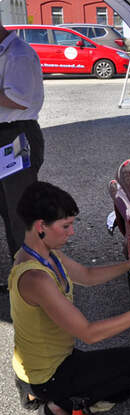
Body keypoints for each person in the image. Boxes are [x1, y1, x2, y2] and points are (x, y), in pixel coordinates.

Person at [9, 182, 130, 415]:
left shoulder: (42, 252)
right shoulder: (36, 278)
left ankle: (38, 392)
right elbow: (89, 333)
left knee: (122, 385)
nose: (72, 232)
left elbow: (86, 275)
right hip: (48, 373)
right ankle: (56, 406)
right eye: (65, 226)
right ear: (41, 226)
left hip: (44, 362)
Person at [0, 21, 45, 261]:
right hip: (6, 133)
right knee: (7, 209)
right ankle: (21, 271)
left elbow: (19, 98)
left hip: (16, 135)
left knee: (19, 211)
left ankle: (33, 277)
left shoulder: (19, 54)